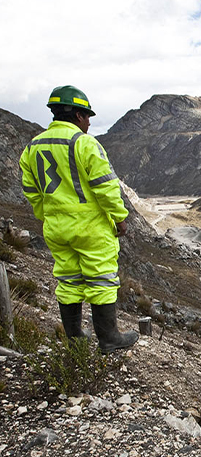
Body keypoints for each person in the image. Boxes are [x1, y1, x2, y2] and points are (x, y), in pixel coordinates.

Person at [19, 85, 138, 353]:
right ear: (76, 115)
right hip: (91, 228)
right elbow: (105, 187)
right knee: (102, 278)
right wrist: (119, 218)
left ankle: (75, 339)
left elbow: (30, 190)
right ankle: (109, 338)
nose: (88, 122)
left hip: (56, 228)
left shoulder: (33, 147)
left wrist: (48, 215)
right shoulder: (83, 144)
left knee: (68, 279)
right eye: (86, 116)